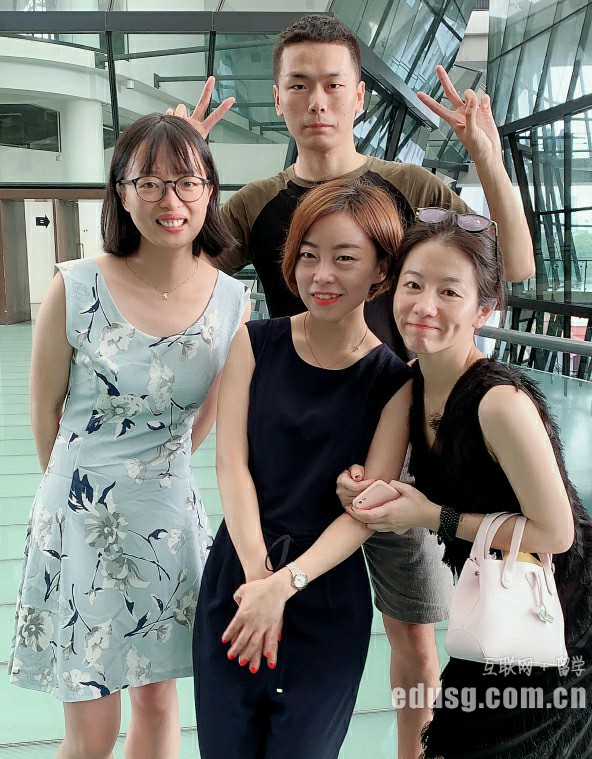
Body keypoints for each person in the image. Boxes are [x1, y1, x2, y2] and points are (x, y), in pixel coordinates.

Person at [171, 14, 535, 754]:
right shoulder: (257, 203)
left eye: (334, 84)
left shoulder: (410, 188)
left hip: (400, 454)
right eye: (299, 84)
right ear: (277, 96)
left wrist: (486, 160)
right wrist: (185, 168)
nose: (317, 101)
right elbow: (179, 277)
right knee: (279, 617)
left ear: (361, 95)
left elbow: (514, 265)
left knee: (417, 642)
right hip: (297, 454)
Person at [338, 210, 592, 758]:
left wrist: (431, 516)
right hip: (497, 594)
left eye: (449, 292)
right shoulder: (411, 386)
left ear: (483, 310)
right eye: (413, 285)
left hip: (560, 602)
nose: (424, 306)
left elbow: (556, 533)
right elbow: (377, 489)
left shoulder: (499, 402)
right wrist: (354, 487)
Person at [8, 114, 250, 759]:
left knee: (158, 698)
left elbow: (205, 419)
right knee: (91, 722)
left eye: (187, 182)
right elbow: (45, 413)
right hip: (79, 516)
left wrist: (154, 475)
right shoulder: (75, 286)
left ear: (209, 191)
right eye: (150, 182)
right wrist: (80, 497)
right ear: (121, 191)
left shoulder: (232, 302)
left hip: (167, 517)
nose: (171, 200)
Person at [192, 178, 413, 759]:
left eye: (345, 258)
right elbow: (231, 465)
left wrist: (284, 585)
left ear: (381, 271)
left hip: (324, 590)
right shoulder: (254, 342)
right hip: (239, 578)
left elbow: (365, 513)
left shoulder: (392, 381)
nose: (322, 275)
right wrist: (258, 582)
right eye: (309, 256)